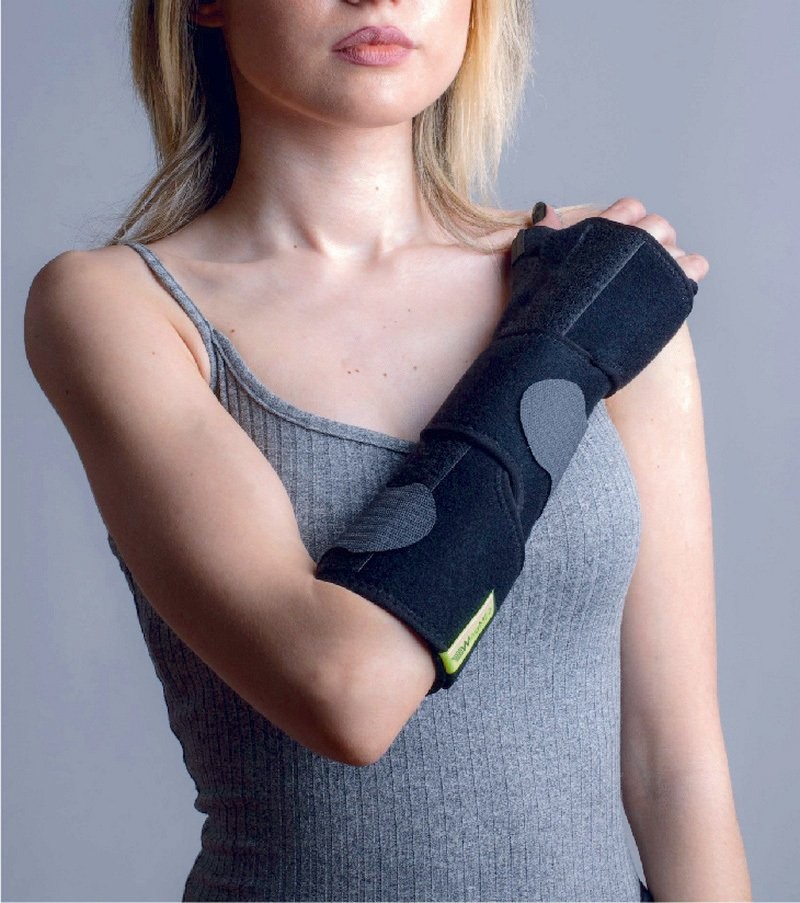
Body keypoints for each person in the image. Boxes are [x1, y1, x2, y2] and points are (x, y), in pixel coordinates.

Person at [23, 1, 751, 900]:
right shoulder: (116, 308)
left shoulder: (592, 281)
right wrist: (554, 355)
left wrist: (572, 328)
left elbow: (676, 770)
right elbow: (349, 691)